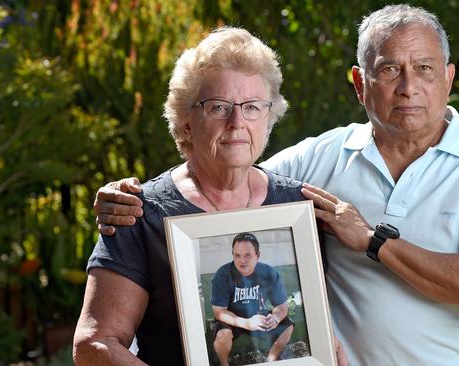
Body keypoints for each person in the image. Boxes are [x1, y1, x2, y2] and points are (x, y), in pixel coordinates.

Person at [93, 4, 459, 365]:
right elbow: (225, 165)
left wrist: (371, 240)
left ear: (449, 79)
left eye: (424, 68)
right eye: (389, 70)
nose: (408, 87)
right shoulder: (319, 159)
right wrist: (130, 198)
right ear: (360, 84)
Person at [72, 27, 333, 366]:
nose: (237, 121)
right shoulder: (139, 212)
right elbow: (94, 344)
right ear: (185, 123)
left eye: (253, 107)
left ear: (269, 118)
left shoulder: (298, 208)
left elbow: (323, 334)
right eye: (218, 107)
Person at [211, 232, 294, 365]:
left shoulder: (269, 273)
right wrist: (246, 323)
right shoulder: (223, 274)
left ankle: (270, 359)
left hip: (257, 315)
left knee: (287, 326)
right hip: (231, 318)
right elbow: (218, 312)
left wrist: (276, 318)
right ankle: (223, 363)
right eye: (237, 255)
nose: (242, 260)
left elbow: (282, 307)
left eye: (248, 255)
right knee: (223, 335)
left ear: (258, 255)